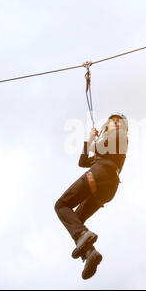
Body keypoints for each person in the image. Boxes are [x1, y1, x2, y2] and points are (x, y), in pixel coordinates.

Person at [54, 112, 129, 280]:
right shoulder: (105, 146)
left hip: (101, 174)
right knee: (76, 220)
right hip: (106, 190)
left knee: (61, 205)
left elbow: (97, 147)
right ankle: (90, 254)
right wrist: (89, 139)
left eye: (119, 121)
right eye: (112, 121)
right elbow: (82, 161)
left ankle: (84, 238)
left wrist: (91, 140)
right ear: (106, 126)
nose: (116, 123)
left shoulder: (120, 136)